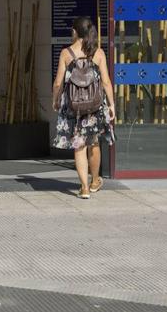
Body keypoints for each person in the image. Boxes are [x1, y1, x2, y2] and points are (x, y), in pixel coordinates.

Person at [52, 16, 115, 199]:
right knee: (93, 142)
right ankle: (95, 181)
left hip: (74, 108)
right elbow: (106, 82)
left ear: (74, 32)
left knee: (78, 145)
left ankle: (84, 188)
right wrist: (111, 105)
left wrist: (55, 100)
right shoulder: (98, 53)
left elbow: (58, 83)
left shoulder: (66, 53)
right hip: (95, 107)